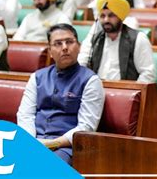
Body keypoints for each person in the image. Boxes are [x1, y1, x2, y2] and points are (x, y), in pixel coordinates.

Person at [17, 23, 105, 165]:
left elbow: (86, 127)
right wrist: (30, 142)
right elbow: (25, 114)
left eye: (69, 42)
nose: (64, 47)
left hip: (67, 147)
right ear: (50, 51)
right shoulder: (37, 77)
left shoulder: (91, 81)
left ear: (79, 46)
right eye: (58, 44)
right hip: (34, 140)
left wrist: (53, 143)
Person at [78, 0, 156, 82]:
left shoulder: (138, 38)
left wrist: (131, 93)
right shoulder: (96, 38)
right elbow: (82, 64)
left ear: (120, 17)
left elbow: (148, 74)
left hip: (126, 92)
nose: (106, 20)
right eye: (102, 16)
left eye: (111, 16)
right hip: (96, 90)